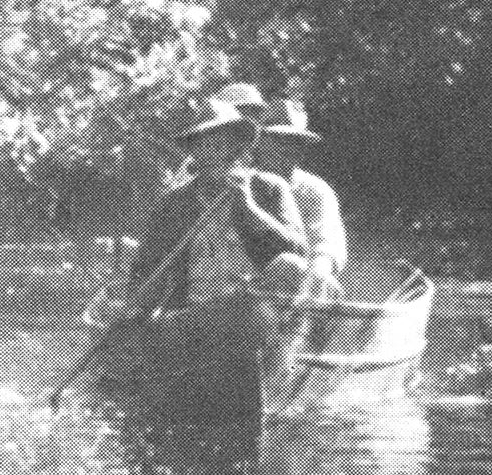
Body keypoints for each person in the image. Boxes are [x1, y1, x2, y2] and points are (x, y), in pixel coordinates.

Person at [127, 97, 307, 315]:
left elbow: (298, 253)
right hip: (192, 320)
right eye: (206, 146)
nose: (218, 154)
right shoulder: (173, 204)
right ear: (194, 154)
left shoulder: (268, 189)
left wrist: (249, 207)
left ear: (238, 148)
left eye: (224, 144)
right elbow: (145, 270)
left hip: (254, 312)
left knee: (292, 265)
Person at [256, 100, 348, 303]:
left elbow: (326, 244)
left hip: (295, 293)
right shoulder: (244, 183)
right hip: (243, 291)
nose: (286, 148)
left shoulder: (314, 191)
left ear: (302, 148)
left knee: (293, 266)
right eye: (277, 139)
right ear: (261, 141)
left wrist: (319, 269)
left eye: (295, 141)